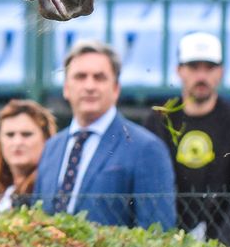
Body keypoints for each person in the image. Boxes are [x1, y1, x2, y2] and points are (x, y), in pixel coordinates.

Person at [34, 41, 175, 229]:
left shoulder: (145, 148)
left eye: (99, 77)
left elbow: (158, 232)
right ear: (66, 88)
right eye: (80, 77)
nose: (90, 86)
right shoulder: (52, 147)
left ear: (116, 89)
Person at [143, 32, 230, 246]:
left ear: (221, 72)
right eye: (194, 67)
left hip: (225, 243)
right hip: (165, 241)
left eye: (209, 68)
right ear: (179, 71)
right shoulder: (159, 119)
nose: (201, 76)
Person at [0, 99, 57, 210]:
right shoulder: (2, 191)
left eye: (26, 134)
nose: (17, 142)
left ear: (46, 139)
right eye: (10, 135)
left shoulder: (51, 190)